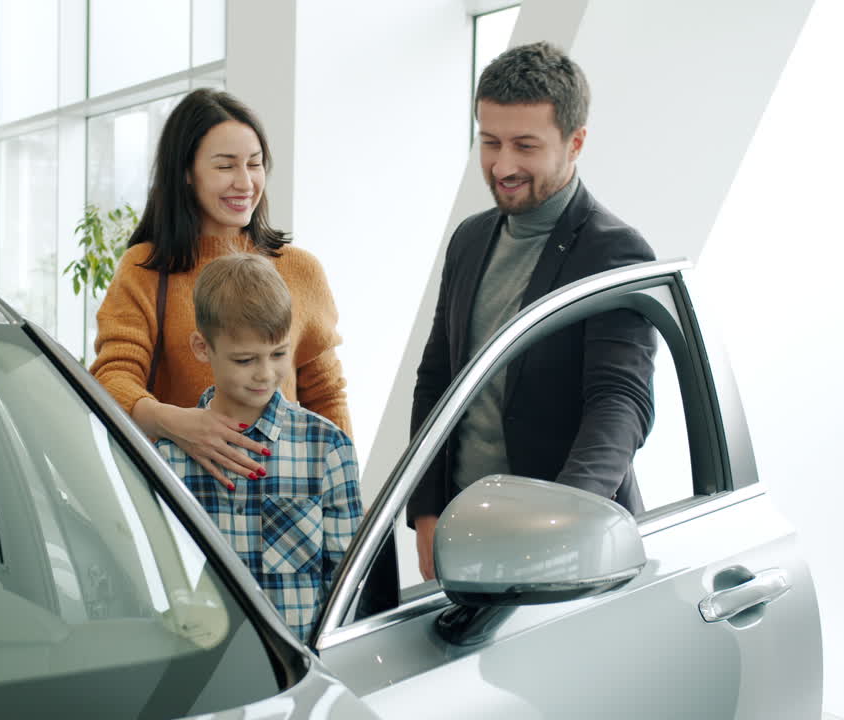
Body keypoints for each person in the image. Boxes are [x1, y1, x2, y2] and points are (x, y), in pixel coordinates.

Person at [406, 42, 657, 581]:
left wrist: (561, 524)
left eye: (525, 146)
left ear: (575, 142)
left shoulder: (615, 251)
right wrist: (425, 511)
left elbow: (620, 403)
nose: (503, 166)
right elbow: (436, 379)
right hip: (465, 536)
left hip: (568, 548)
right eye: (490, 142)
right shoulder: (470, 239)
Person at [90, 89, 350, 490]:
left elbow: (327, 396)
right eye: (226, 166)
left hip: (285, 501)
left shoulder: (300, 269)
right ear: (186, 172)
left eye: (255, 164)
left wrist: (347, 489)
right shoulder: (145, 269)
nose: (245, 182)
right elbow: (112, 377)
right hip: (181, 499)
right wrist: (176, 423)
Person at [155, 253, 362, 641]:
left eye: (279, 354)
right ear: (202, 347)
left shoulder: (327, 449)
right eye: (245, 360)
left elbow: (349, 586)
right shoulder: (168, 459)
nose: (265, 374)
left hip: (300, 663)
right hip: (207, 663)